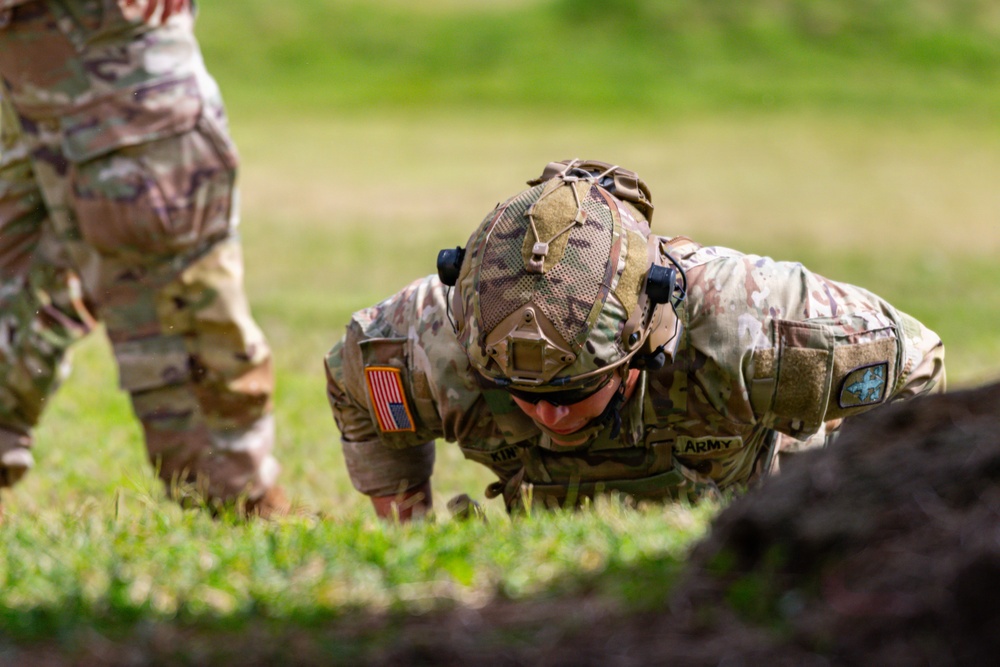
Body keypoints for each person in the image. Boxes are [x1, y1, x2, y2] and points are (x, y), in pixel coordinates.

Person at [325, 159, 945, 521]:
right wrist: (410, 529)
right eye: (525, 394)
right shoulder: (431, 341)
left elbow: (915, 364)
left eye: (573, 392)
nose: (549, 414)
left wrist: (829, 518)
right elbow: (353, 384)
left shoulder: (747, 322)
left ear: (642, 343)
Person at [0, 0, 286, 519]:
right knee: (27, 288)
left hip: (103, 55)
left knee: (172, 296)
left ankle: (239, 510)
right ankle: (239, 507)